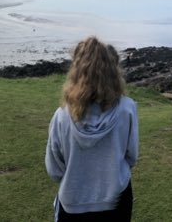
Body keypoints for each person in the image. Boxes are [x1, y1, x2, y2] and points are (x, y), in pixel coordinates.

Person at [46, 36, 139, 220]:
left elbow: (55, 169)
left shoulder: (61, 115)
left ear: (76, 71)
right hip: (116, 200)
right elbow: (131, 156)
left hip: (72, 204)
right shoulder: (127, 109)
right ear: (112, 70)